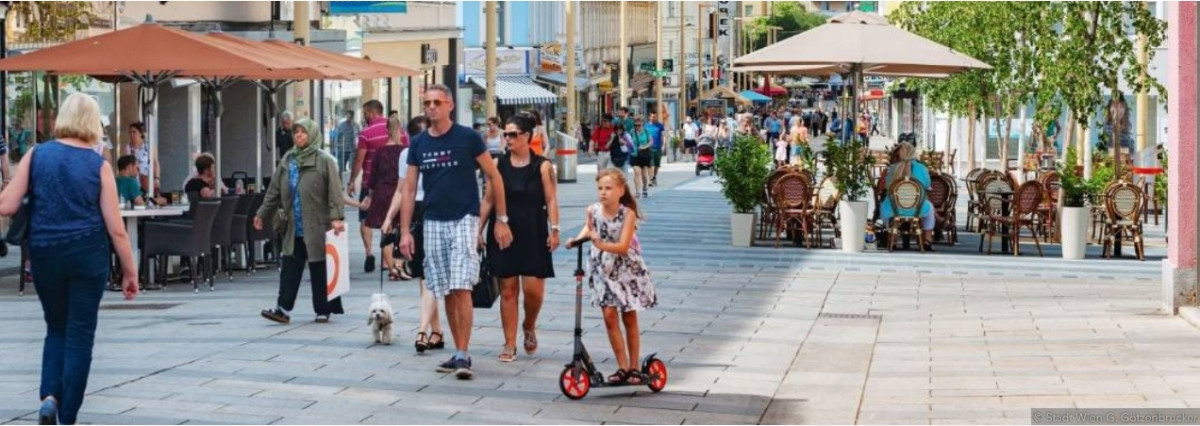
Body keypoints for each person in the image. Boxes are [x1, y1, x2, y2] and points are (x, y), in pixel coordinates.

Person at [0, 92, 138, 425]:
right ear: (92, 122)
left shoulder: (37, 155)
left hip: (45, 254)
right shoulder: (99, 166)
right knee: (79, 334)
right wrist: (130, 272)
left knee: (56, 327)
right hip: (88, 255)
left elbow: (6, 205)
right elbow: (116, 229)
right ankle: (66, 416)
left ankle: (49, 396)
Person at [396, 84, 512, 380]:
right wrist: (405, 231)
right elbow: (409, 189)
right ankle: (458, 351)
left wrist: (501, 218)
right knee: (445, 287)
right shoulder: (419, 144)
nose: (431, 107)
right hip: (433, 220)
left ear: (449, 105)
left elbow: (494, 175)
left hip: (464, 218)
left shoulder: (468, 137)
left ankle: (463, 352)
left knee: (462, 285)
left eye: (437, 102)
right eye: (427, 103)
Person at [479, 114, 560, 362]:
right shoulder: (497, 165)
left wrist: (555, 229)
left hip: (534, 231)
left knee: (534, 291)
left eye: (512, 134)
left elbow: (551, 199)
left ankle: (529, 324)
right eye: (505, 133)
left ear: (527, 136)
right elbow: (489, 200)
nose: (507, 138)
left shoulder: (543, 166)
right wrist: (478, 230)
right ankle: (510, 343)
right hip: (504, 231)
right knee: (508, 289)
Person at [568, 168, 656, 386]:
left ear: (620, 190)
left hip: (626, 268)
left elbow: (623, 245)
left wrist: (600, 244)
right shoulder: (594, 210)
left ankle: (634, 367)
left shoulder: (628, 214)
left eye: (608, 188)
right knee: (609, 315)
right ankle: (622, 366)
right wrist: (576, 240)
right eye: (600, 188)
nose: (603, 192)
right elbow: (589, 229)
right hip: (602, 268)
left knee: (629, 316)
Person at [257, 118, 347, 324]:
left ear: (312, 134)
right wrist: (262, 213)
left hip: (318, 224)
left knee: (319, 267)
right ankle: (282, 309)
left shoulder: (325, 160)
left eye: (303, 132)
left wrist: (336, 218)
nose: (298, 135)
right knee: (290, 266)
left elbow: (335, 192)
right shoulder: (289, 159)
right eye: (296, 132)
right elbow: (274, 190)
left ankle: (323, 310)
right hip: (293, 225)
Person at [382, 115, 446, 354]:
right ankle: (436, 330)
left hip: (437, 209)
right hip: (416, 210)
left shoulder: (441, 152)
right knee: (423, 275)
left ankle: (425, 330)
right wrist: (389, 217)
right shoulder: (405, 155)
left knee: (428, 275)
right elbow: (402, 190)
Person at [348, 100, 388, 273]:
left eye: (365, 113)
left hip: (369, 182)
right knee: (389, 219)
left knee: (366, 219)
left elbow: (359, 159)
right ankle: (387, 261)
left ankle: (369, 252)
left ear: (371, 113)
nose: (364, 117)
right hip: (390, 182)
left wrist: (351, 181)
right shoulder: (396, 129)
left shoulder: (366, 133)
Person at [363, 117, 406, 280]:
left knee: (386, 231)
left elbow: (372, 177)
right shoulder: (405, 150)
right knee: (402, 229)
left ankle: (390, 269)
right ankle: (399, 266)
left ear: (386, 130)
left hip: (382, 192)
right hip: (400, 192)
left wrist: (370, 195)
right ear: (400, 129)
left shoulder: (380, 152)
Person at [879, 143, 936, 251]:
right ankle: (927, 240)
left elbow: (887, 187)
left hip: (894, 209)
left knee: (884, 205)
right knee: (930, 210)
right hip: (918, 209)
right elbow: (928, 186)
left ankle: (893, 239)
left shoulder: (892, 169)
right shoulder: (922, 169)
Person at [123, 122, 158, 195]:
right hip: (134, 181)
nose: (132, 134)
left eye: (134, 132)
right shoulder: (128, 148)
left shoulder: (148, 146)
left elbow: (155, 163)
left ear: (140, 133)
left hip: (147, 180)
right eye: (130, 132)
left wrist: (156, 178)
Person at [629, 118, 653, 198]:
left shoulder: (646, 132)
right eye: (635, 125)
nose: (637, 127)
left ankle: (645, 188)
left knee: (644, 174)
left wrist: (644, 147)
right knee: (636, 172)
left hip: (644, 155)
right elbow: (629, 141)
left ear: (643, 125)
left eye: (639, 125)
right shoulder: (632, 131)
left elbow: (651, 142)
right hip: (634, 154)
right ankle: (637, 191)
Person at [647, 113, 665, 187]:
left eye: (655, 117)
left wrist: (663, 145)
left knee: (657, 165)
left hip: (658, 147)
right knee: (650, 164)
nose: (653, 118)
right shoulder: (646, 126)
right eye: (652, 117)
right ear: (649, 117)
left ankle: (654, 177)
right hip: (649, 148)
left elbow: (663, 136)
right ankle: (650, 179)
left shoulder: (660, 126)